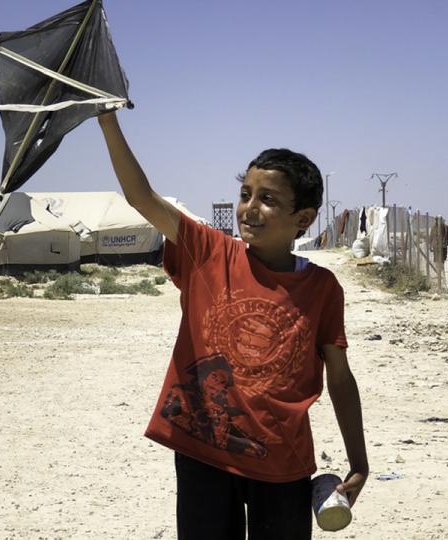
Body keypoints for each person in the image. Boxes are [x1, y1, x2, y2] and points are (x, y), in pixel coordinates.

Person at [97, 111, 368, 539]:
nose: (250, 209)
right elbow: (140, 197)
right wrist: (107, 120)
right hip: (204, 450)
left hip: (282, 459)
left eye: (268, 199)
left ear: (305, 218)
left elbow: (339, 376)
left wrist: (359, 461)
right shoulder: (207, 253)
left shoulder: (322, 288)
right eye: (246, 194)